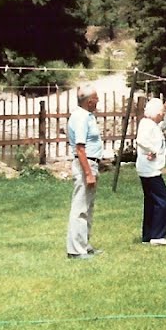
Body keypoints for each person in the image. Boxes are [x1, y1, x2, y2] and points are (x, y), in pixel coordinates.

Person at [66, 84, 103, 259]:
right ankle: (75, 249)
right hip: (85, 164)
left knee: (88, 206)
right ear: (89, 102)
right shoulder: (81, 118)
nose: (98, 102)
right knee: (80, 207)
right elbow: (80, 148)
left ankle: (85, 244)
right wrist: (88, 173)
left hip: (91, 163)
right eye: (96, 99)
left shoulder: (87, 116)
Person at [135, 97, 166, 246]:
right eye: (161, 113)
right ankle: (158, 236)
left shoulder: (151, 124)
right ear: (155, 113)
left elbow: (164, 124)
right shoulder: (147, 124)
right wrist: (153, 150)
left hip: (148, 169)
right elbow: (140, 140)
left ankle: (148, 235)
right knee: (164, 201)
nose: (162, 115)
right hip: (150, 170)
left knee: (151, 201)